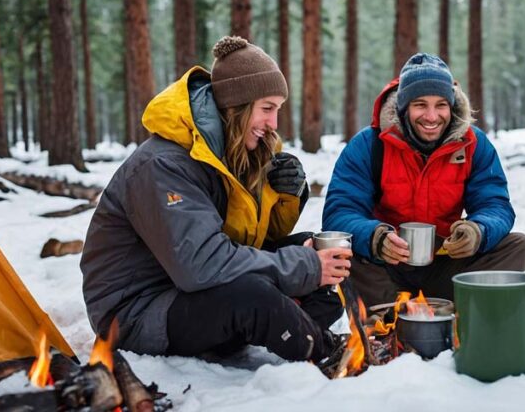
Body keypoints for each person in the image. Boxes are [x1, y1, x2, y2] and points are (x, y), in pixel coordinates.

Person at [81, 36, 350, 368]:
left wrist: (284, 196)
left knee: (309, 251)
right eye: (267, 109)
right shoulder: (163, 165)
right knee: (258, 296)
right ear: (235, 107)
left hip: (184, 291)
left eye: (277, 110)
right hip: (135, 313)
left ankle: (281, 323)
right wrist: (303, 268)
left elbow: (250, 240)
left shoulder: (225, 153)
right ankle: (333, 352)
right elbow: (202, 265)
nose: (274, 124)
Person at [322, 52, 525, 306]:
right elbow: (340, 212)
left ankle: (465, 309)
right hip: (385, 266)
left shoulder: (473, 144)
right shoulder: (369, 145)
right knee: (341, 250)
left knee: (520, 246)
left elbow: (495, 205)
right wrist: (375, 237)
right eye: (420, 105)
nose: (432, 117)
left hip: (448, 263)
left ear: (452, 106)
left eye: (441, 105)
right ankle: (388, 316)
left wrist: (477, 231)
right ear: (404, 107)